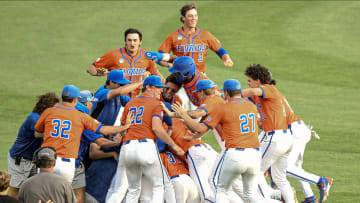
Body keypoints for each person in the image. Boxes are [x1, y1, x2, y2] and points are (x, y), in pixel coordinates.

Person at [172, 79, 264, 202]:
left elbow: (200, 128)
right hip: (255, 155)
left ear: (226, 92)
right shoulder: (251, 105)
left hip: (235, 153)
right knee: (250, 194)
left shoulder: (224, 108)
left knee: (217, 185)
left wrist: (183, 115)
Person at [34, 85, 132, 183]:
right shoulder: (81, 117)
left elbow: (37, 134)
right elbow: (104, 130)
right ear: (76, 100)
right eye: (91, 102)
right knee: (62, 195)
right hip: (66, 164)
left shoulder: (49, 112)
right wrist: (125, 126)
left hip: (46, 159)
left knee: (42, 193)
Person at [120, 76, 185, 202]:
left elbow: (122, 132)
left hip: (128, 148)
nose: (161, 90)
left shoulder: (130, 103)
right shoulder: (156, 104)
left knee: (133, 190)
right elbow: (157, 128)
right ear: (148, 87)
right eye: (158, 88)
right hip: (146, 147)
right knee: (160, 185)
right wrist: (174, 145)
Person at [242, 64, 295, 202]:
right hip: (284, 138)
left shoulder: (268, 88)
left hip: (276, 138)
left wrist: (237, 93)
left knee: (255, 172)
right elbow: (243, 98)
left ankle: (266, 200)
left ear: (258, 81)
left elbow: (252, 93)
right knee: (279, 177)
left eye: (249, 80)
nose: (248, 83)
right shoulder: (261, 96)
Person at [280, 95, 333, 203]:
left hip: (294, 133)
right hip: (300, 129)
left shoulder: (265, 96)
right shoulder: (273, 93)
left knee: (285, 168)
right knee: (296, 167)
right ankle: (310, 198)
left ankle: (320, 181)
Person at [7, 92, 59, 198]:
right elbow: (39, 133)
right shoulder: (34, 118)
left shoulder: (44, 117)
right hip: (21, 160)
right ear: (47, 107)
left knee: (33, 189)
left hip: (32, 160)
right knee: (16, 191)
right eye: (55, 108)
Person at [87, 28, 164, 98]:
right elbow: (90, 68)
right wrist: (97, 73)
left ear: (140, 42)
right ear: (125, 41)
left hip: (134, 99)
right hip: (115, 97)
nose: (132, 43)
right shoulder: (113, 55)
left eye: (135, 40)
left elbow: (158, 77)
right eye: (129, 40)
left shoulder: (147, 56)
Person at [158, 3, 233, 73]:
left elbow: (220, 50)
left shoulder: (206, 35)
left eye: (195, 15)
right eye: (190, 16)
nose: (194, 18)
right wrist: (168, 65)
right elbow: (159, 56)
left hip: (200, 76)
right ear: (183, 18)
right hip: (180, 76)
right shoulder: (173, 36)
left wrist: (227, 59)